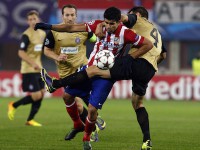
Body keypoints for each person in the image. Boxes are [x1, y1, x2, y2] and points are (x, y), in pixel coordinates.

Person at [35, 6, 153, 150]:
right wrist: (49, 26)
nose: (108, 26)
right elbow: (71, 28)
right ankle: (77, 123)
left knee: (91, 110)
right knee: (67, 96)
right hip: (89, 68)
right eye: (106, 23)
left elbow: (148, 44)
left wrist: (130, 57)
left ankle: (86, 138)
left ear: (118, 22)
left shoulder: (126, 33)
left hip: (106, 77)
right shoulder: (98, 24)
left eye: (112, 24)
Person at [43, 4, 105, 141]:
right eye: (67, 15)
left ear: (76, 16)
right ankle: (86, 123)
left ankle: (89, 128)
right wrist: (57, 57)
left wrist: (101, 41)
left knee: (73, 100)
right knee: (77, 105)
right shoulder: (54, 32)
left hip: (83, 70)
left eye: (72, 15)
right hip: (65, 74)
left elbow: (97, 40)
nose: (70, 18)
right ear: (62, 16)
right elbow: (46, 50)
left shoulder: (84, 30)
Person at [7, 10, 46, 127]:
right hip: (28, 69)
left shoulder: (42, 33)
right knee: (37, 95)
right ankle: (13, 105)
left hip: (39, 68)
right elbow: (21, 53)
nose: (33, 21)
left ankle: (30, 120)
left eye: (34, 19)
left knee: (42, 93)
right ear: (27, 21)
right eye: (30, 19)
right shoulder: (26, 35)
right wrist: (33, 63)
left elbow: (42, 50)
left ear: (38, 19)